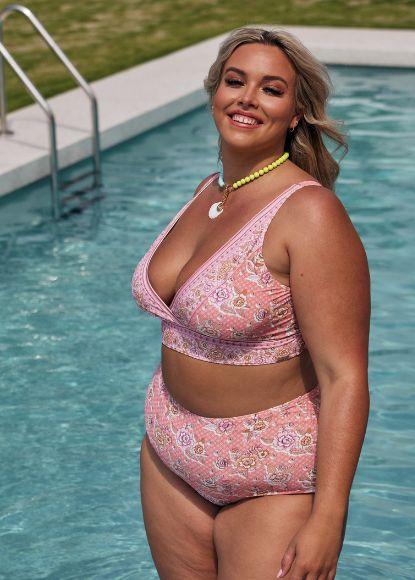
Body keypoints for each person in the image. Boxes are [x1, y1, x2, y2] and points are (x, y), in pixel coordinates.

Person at [131, 27, 370, 579]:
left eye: (271, 89)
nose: (246, 98)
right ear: (215, 92)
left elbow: (344, 375)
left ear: (295, 114)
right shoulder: (206, 193)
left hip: (272, 476)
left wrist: (329, 518)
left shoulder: (309, 214)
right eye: (235, 81)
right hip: (171, 456)